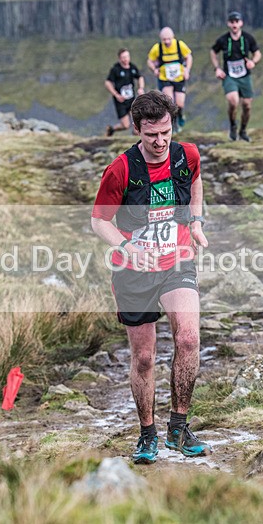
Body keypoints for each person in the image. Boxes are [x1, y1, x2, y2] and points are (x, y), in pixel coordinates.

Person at [91, 90, 210, 464]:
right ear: (137, 131)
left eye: (166, 132)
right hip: (134, 272)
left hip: (176, 261)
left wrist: (196, 222)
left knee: (189, 339)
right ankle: (148, 434)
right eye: (151, 135)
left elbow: (195, 184)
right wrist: (125, 248)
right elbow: (99, 221)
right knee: (143, 358)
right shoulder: (121, 170)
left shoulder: (186, 154)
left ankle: (178, 426)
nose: (160, 142)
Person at [210, 11, 261, 142]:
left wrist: (252, 62)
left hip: (245, 76)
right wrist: (217, 68)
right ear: (228, 24)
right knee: (233, 101)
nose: (234, 24)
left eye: (237, 21)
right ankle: (233, 125)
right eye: (232, 22)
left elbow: (257, 53)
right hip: (229, 76)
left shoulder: (248, 38)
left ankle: (243, 130)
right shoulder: (223, 40)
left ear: (241, 23)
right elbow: (213, 51)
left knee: (247, 105)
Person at [147, 27, 193, 133]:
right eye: (164, 39)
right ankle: (174, 124)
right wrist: (154, 69)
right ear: (161, 39)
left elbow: (189, 57)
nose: (167, 41)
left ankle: (181, 115)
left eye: (169, 39)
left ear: (173, 37)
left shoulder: (179, 45)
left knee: (180, 104)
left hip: (179, 77)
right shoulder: (157, 48)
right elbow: (150, 60)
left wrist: (187, 70)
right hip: (165, 78)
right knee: (169, 101)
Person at [104, 48, 145, 137]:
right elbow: (107, 82)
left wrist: (140, 88)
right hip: (121, 101)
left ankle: (136, 135)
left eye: (127, 57)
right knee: (126, 125)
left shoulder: (132, 67)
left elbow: (140, 77)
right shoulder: (115, 69)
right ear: (119, 58)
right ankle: (112, 129)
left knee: (138, 119)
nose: (126, 59)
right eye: (123, 57)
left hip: (131, 100)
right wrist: (116, 94)